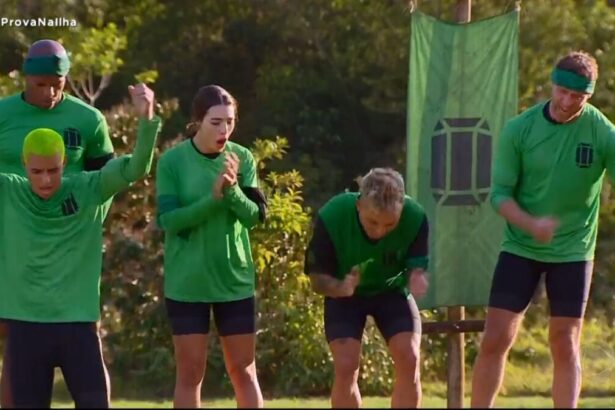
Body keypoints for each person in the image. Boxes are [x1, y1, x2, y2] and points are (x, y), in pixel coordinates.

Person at [0, 83, 160, 408]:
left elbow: (136, 168)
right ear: (23, 165)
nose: (46, 180)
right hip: (25, 325)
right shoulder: (9, 191)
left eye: (54, 170)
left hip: (77, 323)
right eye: (37, 172)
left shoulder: (89, 188)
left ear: (65, 162)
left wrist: (147, 121)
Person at [470, 51, 615, 408]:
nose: (567, 102)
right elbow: (499, 196)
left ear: (589, 95)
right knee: (495, 339)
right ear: (552, 85)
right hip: (520, 246)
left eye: (577, 97)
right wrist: (531, 224)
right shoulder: (519, 130)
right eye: (562, 92)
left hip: (573, 250)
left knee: (565, 342)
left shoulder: (603, 133)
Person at [0, 38, 115, 408]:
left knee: (84, 334)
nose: (50, 92)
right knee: (15, 339)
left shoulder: (88, 120)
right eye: (41, 84)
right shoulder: (3, 116)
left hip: (67, 247)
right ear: (25, 80)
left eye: (57, 83)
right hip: (10, 242)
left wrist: (82, 224)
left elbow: (106, 183)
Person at [156, 85, 267, 408]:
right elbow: (170, 221)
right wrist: (213, 198)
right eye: (215, 122)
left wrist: (232, 192)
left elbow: (254, 217)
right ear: (197, 121)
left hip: (234, 281)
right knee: (190, 373)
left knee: (243, 371)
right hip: (188, 283)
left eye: (229, 122)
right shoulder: (172, 162)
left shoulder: (242, 158)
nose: (224, 130)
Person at [304, 167, 430, 408]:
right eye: (373, 222)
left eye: (390, 224)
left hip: (392, 290)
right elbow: (317, 279)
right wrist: (340, 287)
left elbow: (416, 265)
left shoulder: (415, 217)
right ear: (359, 205)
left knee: (409, 357)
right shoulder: (334, 215)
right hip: (344, 293)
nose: (380, 231)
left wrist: (417, 276)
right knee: (346, 364)